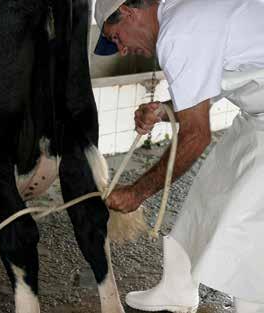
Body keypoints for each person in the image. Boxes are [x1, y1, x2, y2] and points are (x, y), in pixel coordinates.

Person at [93, 0, 264, 312]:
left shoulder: (178, 34)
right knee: (209, 193)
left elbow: (196, 136)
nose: (122, 49)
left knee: (247, 224)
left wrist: (137, 193)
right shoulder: (183, 16)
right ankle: (177, 288)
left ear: (130, 12)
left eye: (116, 37)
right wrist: (164, 112)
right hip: (258, 116)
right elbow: (212, 83)